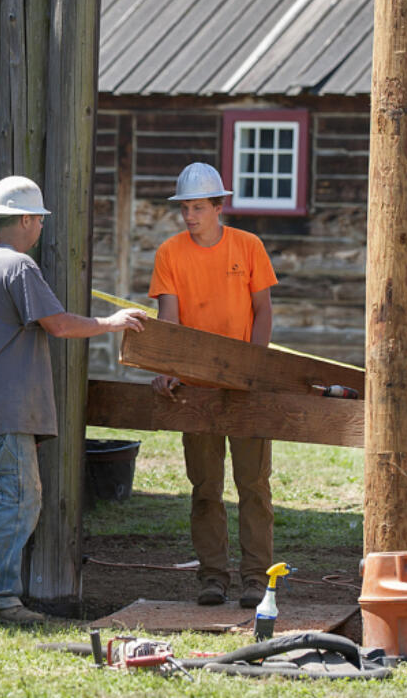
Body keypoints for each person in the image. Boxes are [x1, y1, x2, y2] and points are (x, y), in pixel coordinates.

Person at [0, 175, 146, 625]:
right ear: (24, 218)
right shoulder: (19, 268)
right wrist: (111, 322)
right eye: (38, 218)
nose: (40, 227)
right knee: (20, 502)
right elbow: (57, 325)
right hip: (6, 411)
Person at [148, 162, 277, 609]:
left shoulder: (249, 246)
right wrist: (166, 365)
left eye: (198, 207)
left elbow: (263, 310)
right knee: (205, 487)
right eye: (184, 207)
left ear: (219, 206)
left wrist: (253, 368)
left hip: (244, 386)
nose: (189, 216)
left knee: (254, 485)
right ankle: (213, 577)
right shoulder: (170, 253)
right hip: (196, 388)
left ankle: (257, 580)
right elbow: (169, 318)